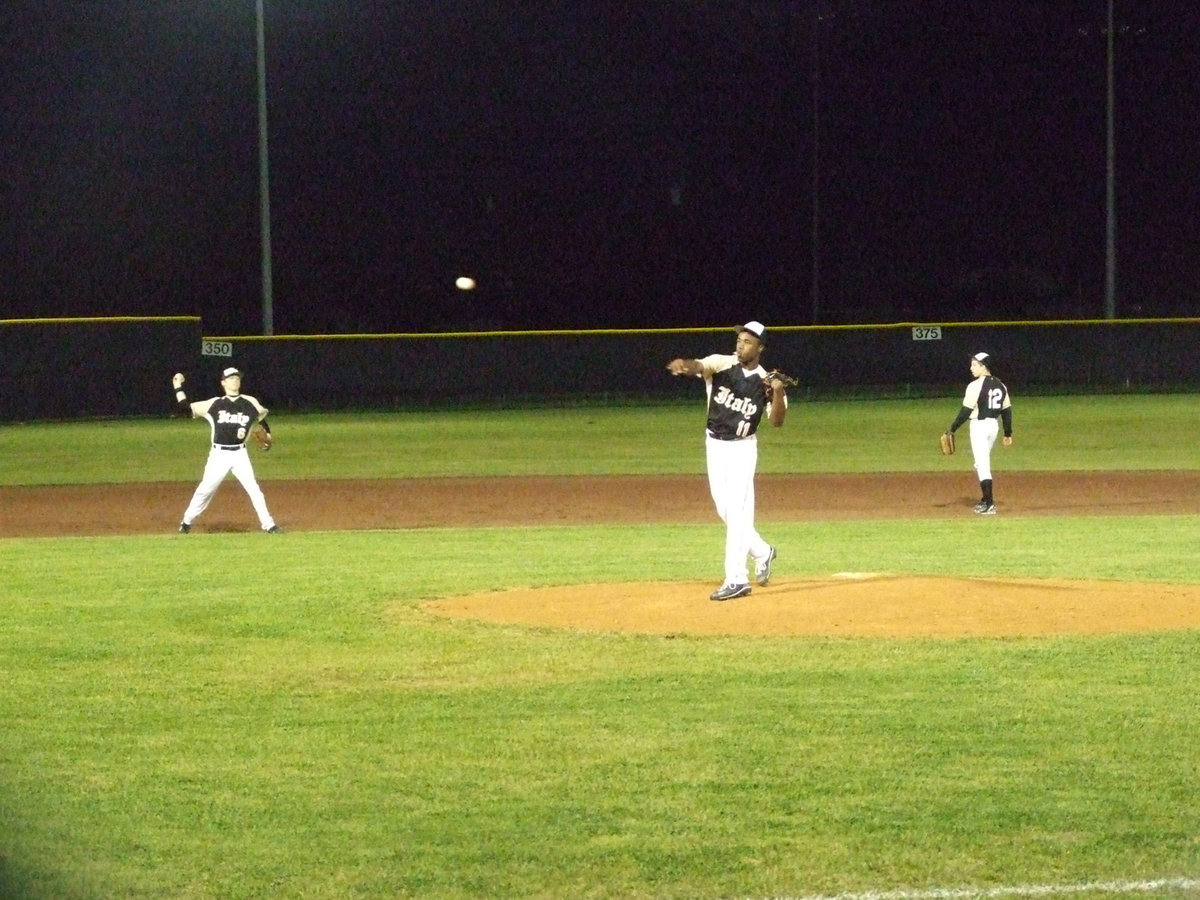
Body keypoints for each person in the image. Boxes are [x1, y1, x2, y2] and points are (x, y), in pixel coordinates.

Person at [667, 321, 787, 601]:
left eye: (747, 341)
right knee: (726, 510)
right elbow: (700, 365)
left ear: (760, 348)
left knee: (738, 511)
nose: (740, 344)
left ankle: (736, 578)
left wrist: (779, 392)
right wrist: (685, 365)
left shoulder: (767, 381)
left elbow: (777, 421)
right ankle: (762, 551)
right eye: (740, 339)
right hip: (714, 445)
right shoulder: (722, 364)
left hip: (742, 449)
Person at [171, 367, 281, 534]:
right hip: (219, 455)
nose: (235, 380)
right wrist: (177, 386)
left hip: (240, 455)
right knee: (205, 490)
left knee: (254, 489)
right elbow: (184, 407)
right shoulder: (214, 404)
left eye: (237, 378)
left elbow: (261, 419)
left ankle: (269, 525)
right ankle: (186, 522)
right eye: (231, 378)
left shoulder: (250, 402)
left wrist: (269, 435)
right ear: (223, 382)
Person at [945, 351, 1013, 515]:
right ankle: (985, 498)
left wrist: (952, 429)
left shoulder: (975, 386)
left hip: (979, 427)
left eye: (975, 365)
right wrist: (1008, 433)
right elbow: (1007, 411)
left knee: (982, 465)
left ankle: (989, 504)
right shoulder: (1000, 385)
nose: (971, 368)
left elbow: (965, 411)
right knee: (980, 462)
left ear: (984, 366)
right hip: (993, 427)